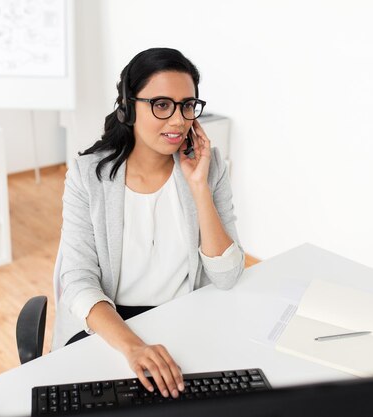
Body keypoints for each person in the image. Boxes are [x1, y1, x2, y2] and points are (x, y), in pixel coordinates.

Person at [50, 47, 245, 399]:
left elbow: (227, 276)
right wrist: (133, 347)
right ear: (127, 108)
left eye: (187, 105)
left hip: (184, 319)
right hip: (111, 329)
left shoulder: (209, 165)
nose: (177, 120)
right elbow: (78, 283)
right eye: (161, 104)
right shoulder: (87, 176)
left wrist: (199, 186)